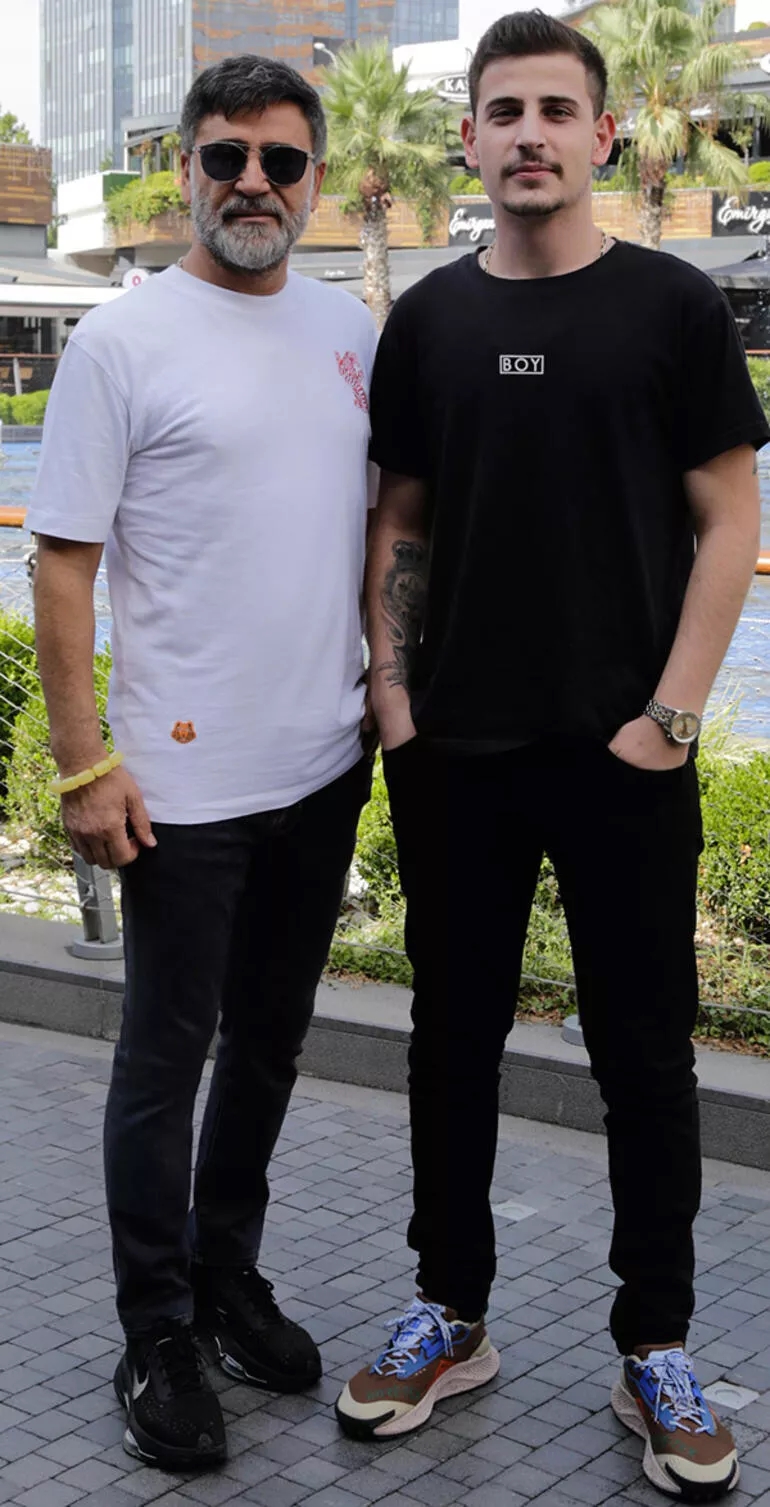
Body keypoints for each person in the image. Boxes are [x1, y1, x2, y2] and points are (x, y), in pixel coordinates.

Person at [335, 12, 767, 1501]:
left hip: (623, 754)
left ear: (601, 134)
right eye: (504, 111)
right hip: (453, 750)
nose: (529, 134)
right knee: (447, 1042)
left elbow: (731, 521)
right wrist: (397, 700)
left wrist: (669, 718)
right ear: (468, 138)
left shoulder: (671, 308)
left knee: (644, 1055)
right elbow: (398, 521)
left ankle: (655, 1345)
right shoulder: (428, 323)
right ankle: (449, 1316)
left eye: (555, 110)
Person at [28, 55, 377, 1474]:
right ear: (183, 171)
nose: (252, 183)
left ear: (313, 181)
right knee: (164, 1060)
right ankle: (157, 1329)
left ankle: (228, 1275)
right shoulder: (123, 342)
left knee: (273, 1043)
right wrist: (82, 765)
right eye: (225, 156)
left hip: (325, 766)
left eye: (280, 161)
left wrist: (387, 694)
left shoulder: (351, 330)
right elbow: (62, 564)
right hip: (179, 789)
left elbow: (378, 531)